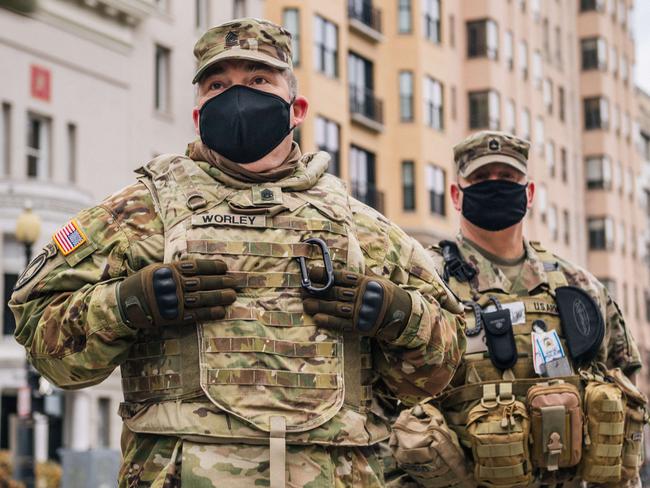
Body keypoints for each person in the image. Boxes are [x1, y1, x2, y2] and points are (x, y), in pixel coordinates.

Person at [9, 18, 465, 488]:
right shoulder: (139, 214)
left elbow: (439, 369)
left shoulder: (363, 229)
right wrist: (130, 303)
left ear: (296, 109)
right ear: (198, 113)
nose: (238, 95)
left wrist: (394, 312)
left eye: (258, 80)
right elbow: (41, 337)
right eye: (217, 84)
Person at [388, 130, 645, 488]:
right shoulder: (424, 285)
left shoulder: (579, 287)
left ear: (530, 193)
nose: (494, 187)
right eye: (480, 178)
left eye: (507, 178)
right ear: (455, 195)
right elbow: (383, 409)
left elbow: (625, 409)